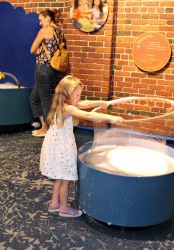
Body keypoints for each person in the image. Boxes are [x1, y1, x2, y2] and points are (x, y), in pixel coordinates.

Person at [40, 75, 123, 217]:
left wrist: (103, 102)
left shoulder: (63, 104)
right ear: (68, 94)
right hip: (62, 147)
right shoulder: (68, 108)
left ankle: (54, 204)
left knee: (59, 178)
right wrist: (111, 118)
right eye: (77, 95)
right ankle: (64, 208)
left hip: (55, 145)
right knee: (65, 179)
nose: (79, 98)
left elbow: (84, 104)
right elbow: (88, 115)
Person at [30, 9, 64, 137]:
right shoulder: (60, 31)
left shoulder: (44, 30)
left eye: (41, 20)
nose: (40, 23)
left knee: (45, 100)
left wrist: (37, 51)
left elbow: (32, 49)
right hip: (54, 69)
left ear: (48, 19)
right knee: (33, 98)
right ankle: (44, 126)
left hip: (42, 68)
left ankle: (47, 130)